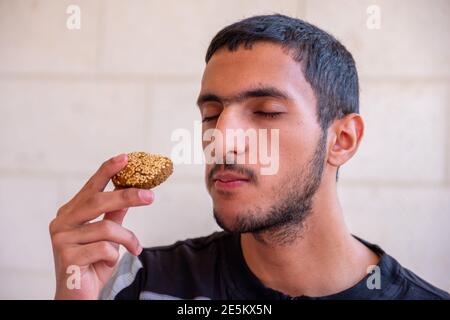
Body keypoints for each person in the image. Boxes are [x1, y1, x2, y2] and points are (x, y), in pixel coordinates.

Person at [49, 14, 450, 300]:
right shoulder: (144, 280)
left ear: (342, 140)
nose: (221, 139)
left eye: (266, 111)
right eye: (211, 115)